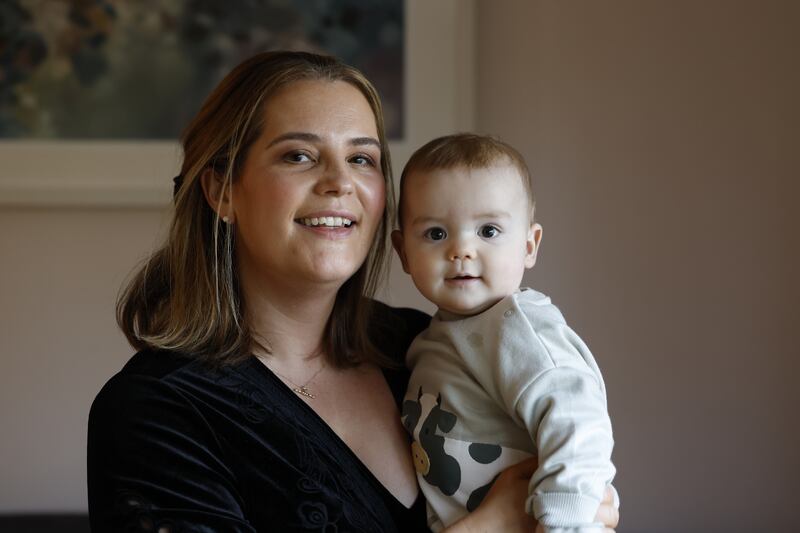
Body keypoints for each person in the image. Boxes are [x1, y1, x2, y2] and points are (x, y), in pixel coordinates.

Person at [87, 51, 619, 532]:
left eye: (362, 159)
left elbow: (581, 476)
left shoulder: (421, 347)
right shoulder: (156, 412)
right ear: (222, 190)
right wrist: (495, 526)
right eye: (298, 155)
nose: (340, 182)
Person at [391, 133, 617, 532]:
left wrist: (566, 522)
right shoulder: (428, 340)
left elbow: (578, 418)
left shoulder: (518, 328)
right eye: (436, 234)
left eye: (489, 231)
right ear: (403, 251)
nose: (461, 250)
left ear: (529, 245)